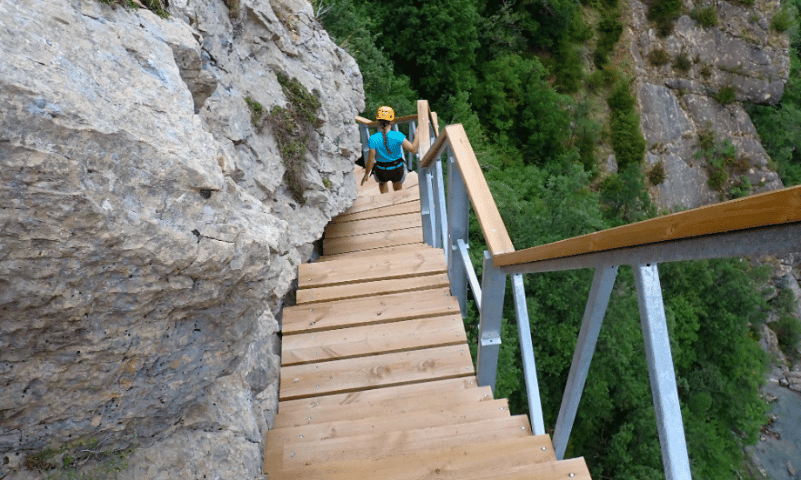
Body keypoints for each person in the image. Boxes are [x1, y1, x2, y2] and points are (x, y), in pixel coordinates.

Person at [361, 106, 419, 193]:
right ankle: (397, 199)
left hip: (381, 170)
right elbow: (413, 149)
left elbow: (371, 159)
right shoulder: (398, 135)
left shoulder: (373, 138)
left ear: (378, 121)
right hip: (397, 169)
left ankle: (385, 199)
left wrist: (366, 174)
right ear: (392, 121)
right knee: (397, 191)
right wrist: (417, 133)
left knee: (382, 186)